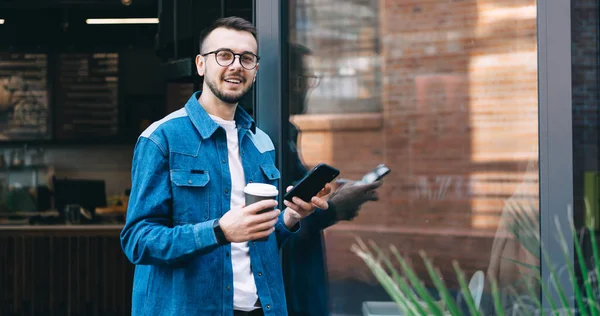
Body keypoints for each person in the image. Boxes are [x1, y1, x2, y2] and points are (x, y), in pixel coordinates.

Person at [120, 17, 330, 316]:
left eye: (246, 58)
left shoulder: (261, 143)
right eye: (224, 55)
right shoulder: (161, 139)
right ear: (201, 64)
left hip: (261, 309)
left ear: (255, 71)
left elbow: (260, 240)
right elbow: (138, 241)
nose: (236, 66)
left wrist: (290, 218)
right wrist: (219, 231)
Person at [281, 43, 384, 316]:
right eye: (303, 79)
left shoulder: (284, 132)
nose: (306, 88)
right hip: (293, 284)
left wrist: (335, 194)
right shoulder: (270, 137)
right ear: (287, 83)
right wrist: (337, 206)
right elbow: (285, 220)